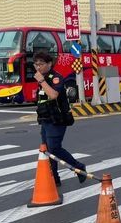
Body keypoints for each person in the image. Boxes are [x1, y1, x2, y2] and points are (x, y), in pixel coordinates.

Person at [34, 51, 86, 186]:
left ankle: (78, 167)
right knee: (47, 150)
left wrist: (41, 80)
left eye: (41, 64)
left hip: (57, 119)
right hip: (45, 119)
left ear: (49, 64)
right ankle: (54, 178)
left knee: (55, 148)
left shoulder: (55, 77)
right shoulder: (43, 79)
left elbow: (53, 95)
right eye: (36, 64)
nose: (38, 67)